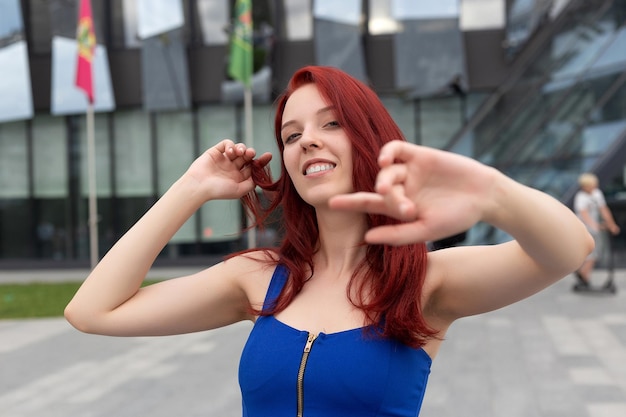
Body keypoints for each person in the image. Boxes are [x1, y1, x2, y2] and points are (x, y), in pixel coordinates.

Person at [65, 66, 594, 416]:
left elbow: (572, 248)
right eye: (292, 135)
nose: (307, 140)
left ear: (369, 138)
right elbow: (92, 311)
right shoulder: (259, 276)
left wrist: (492, 193)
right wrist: (192, 188)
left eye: (332, 123)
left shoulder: (427, 283)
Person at [573, 172, 620, 289]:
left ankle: (584, 276)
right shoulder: (580, 197)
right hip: (584, 229)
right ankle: (583, 274)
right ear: (585, 186)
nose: (595, 187)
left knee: (594, 253)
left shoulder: (597, 194)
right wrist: (595, 226)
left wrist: (612, 224)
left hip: (594, 229)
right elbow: (584, 214)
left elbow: (603, 210)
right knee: (592, 253)